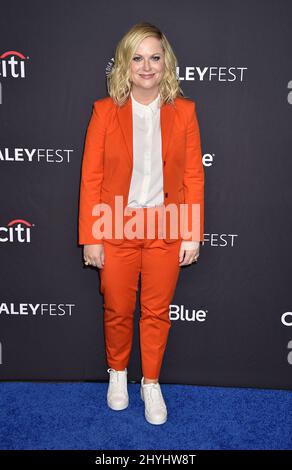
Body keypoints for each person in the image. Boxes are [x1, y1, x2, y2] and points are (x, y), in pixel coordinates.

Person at [78, 22, 204, 425]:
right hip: (116, 225)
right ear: (124, 64)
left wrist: (192, 231)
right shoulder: (104, 111)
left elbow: (193, 178)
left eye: (154, 56)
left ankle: (150, 382)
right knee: (116, 307)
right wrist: (91, 237)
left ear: (166, 62)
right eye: (137, 57)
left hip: (166, 225)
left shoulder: (185, 112)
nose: (146, 66)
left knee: (155, 310)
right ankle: (118, 373)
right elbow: (91, 178)